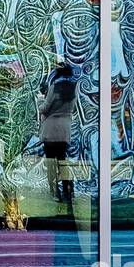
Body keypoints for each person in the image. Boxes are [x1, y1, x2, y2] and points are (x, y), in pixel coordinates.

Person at [39, 61, 81, 208]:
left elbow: (45, 108)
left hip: (51, 128)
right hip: (65, 129)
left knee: (51, 163)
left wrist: (40, 103)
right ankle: (68, 191)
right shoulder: (73, 89)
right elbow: (73, 108)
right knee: (63, 161)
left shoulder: (54, 87)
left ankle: (54, 192)